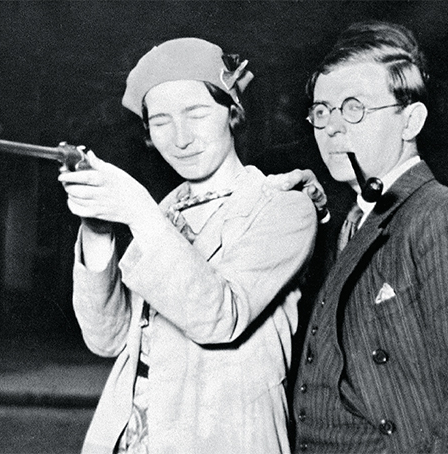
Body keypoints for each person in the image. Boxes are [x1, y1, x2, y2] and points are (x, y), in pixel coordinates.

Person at [58, 37, 317, 453]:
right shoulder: (164, 213)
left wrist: (138, 212)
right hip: (136, 438)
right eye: (160, 121)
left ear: (232, 113)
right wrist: (98, 230)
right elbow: (107, 339)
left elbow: (220, 317)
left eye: (195, 112)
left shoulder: (284, 208)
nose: (180, 137)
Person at [289, 21, 448, 453]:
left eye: (353, 107)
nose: (332, 127)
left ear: (410, 120)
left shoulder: (444, 219)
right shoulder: (354, 221)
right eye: (322, 110)